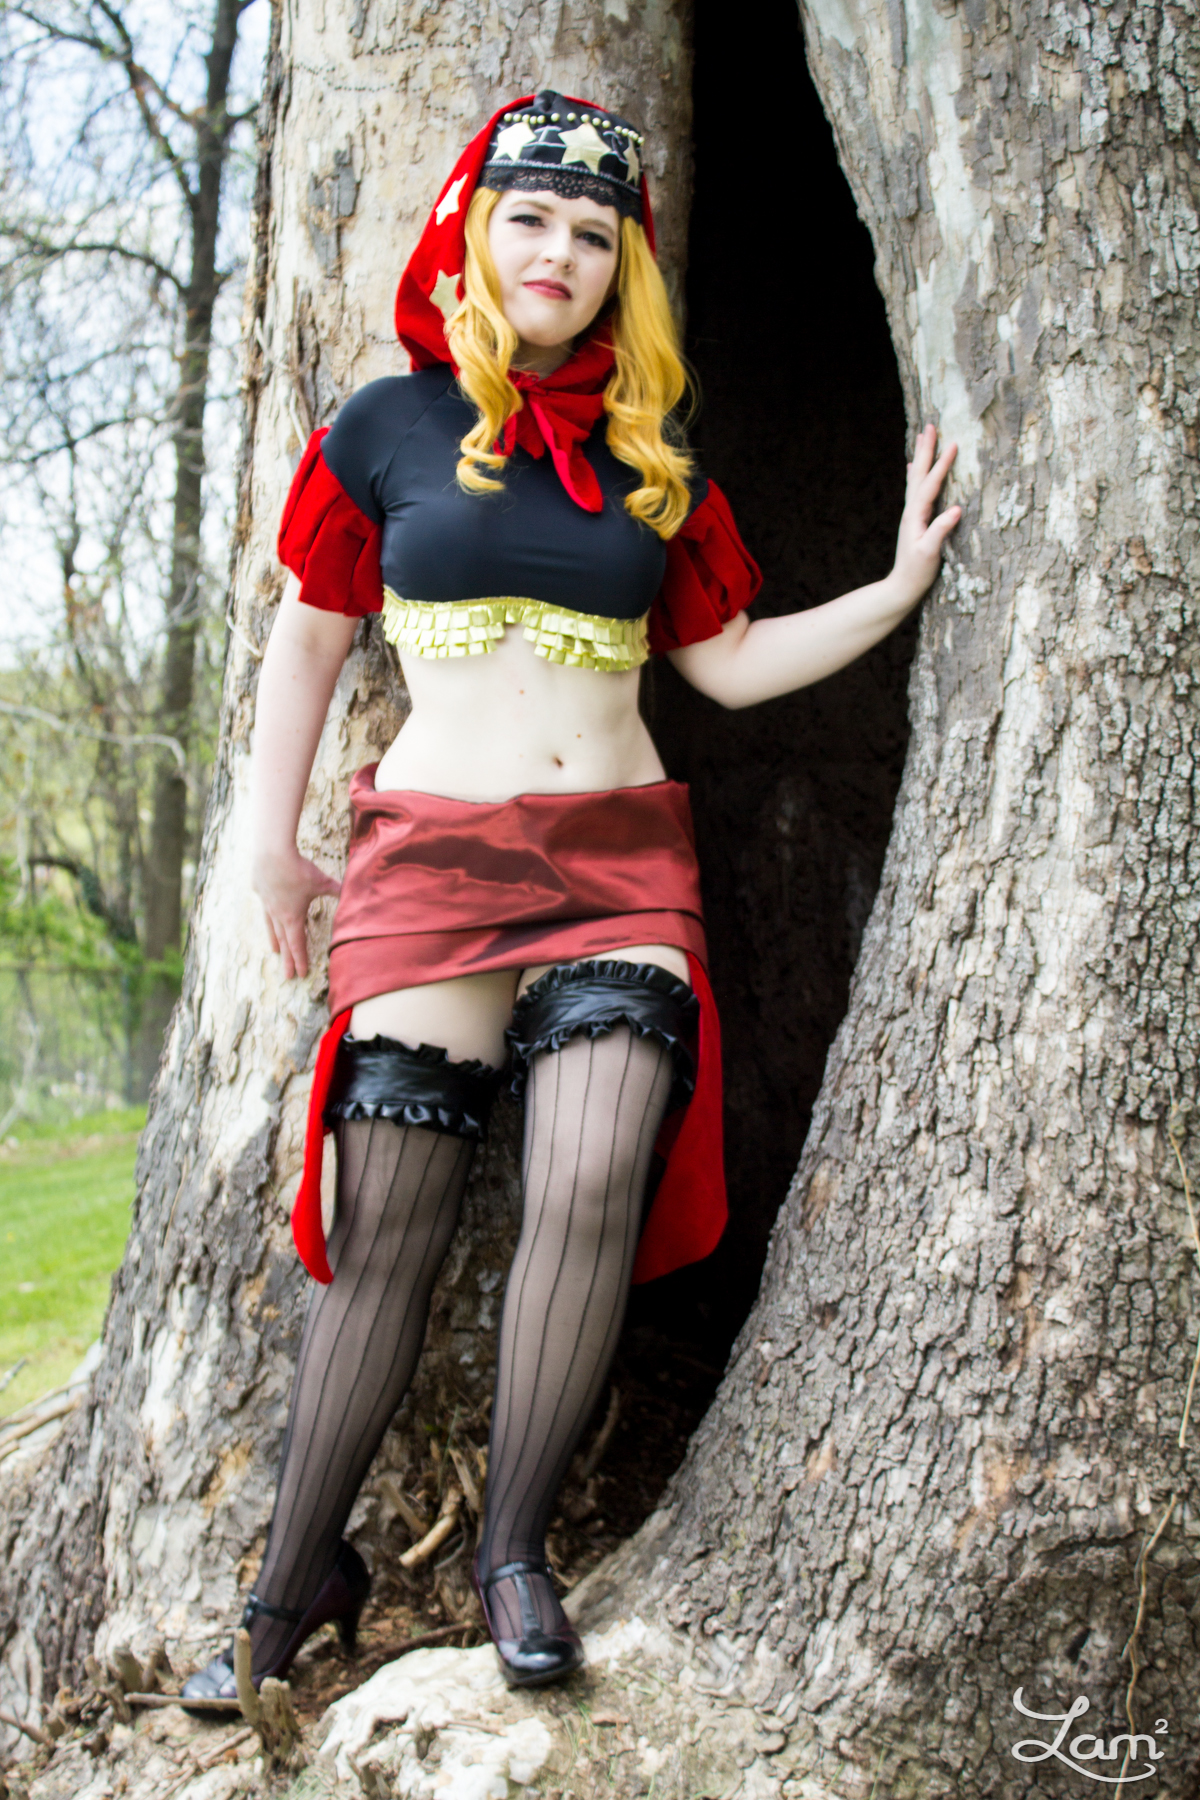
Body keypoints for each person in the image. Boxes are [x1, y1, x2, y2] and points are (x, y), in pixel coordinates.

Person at [183, 89, 959, 1700]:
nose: (558, 253)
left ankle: (513, 1555)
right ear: (475, 232)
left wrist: (895, 587)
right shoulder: (386, 426)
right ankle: (287, 1585)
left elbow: (725, 665)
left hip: (616, 863)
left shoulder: (651, 455)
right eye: (529, 219)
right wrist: (269, 839)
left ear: (625, 268)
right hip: (433, 860)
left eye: (593, 235)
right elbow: (309, 642)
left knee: (592, 1181)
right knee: (389, 1225)